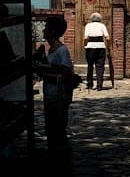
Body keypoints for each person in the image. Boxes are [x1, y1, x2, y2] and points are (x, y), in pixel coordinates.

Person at [34, 15, 77, 150]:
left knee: (57, 127)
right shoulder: (50, 49)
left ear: (52, 32)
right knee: (51, 126)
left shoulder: (61, 50)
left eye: (46, 28)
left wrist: (43, 69)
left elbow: (64, 73)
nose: (44, 31)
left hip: (59, 95)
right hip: (50, 94)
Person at [83, 11, 110, 90]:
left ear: (91, 19)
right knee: (100, 66)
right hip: (100, 47)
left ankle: (89, 84)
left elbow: (85, 38)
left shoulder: (88, 25)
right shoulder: (102, 25)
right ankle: (99, 85)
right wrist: (108, 47)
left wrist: (85, 44)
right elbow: (107, 38)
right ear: (100, 19)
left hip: (90, 47)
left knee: (90, 66)